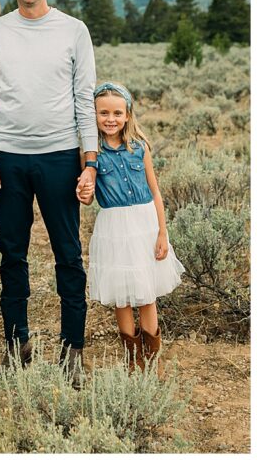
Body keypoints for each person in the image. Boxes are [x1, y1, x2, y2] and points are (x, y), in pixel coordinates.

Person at [0, 0, 98, 387]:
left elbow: (86, 99)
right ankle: (16, 344)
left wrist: (90, 162)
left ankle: (73, 350)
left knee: (68, 254)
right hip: (7, 157)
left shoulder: (73, 30)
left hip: (62, 156)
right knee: (13, 254)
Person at [77, 82, 184, 369]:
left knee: (146, 292)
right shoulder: (91, 154)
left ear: (127, 115)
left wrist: (163, 232)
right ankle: (132, 359)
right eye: (103, 113)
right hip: (113, 227)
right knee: (121, 295)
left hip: (144, 224)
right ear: (94, 116)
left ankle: (152, 359)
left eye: (117, 113)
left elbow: (155, 190)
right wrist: (84, 194)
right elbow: (87, 198)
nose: (110, 119)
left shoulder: (139, 147)